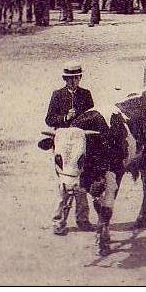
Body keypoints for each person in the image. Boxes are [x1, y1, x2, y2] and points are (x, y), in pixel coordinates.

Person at [45, 63, 96, 234]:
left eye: (77, 78)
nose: (74, 81)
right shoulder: (57, 95)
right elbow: (49, 119)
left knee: (80, 181)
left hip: (79, 144)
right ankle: (59, 221)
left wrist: (81, 120)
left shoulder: (86, 94)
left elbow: (93, 116)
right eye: (70, 78)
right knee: (64, 183)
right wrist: (65, 117)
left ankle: (82, 219)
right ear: (65, 79)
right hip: (63, 145)